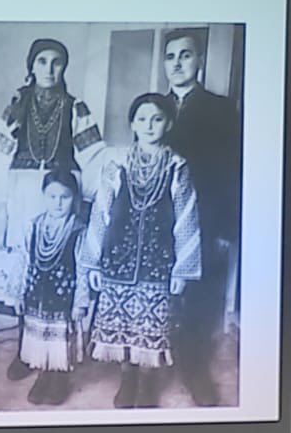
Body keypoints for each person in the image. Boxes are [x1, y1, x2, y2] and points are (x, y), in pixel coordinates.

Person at [0, 37, 102, 376]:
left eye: (57, 62)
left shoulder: (76, 107)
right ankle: (25, 350)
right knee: (26, 267)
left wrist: (85, 203)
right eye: (42, 61)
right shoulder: (16, 107)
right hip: (23, 193)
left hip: (61, 193)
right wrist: (1, 205)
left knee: (59, 271)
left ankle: (58, 354)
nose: (49, 69)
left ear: (65, 67)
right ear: (31, 66)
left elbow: (94, 158)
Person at [80, 93, 201, 409]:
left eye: (157, 119)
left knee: (151, 325)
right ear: (132, 124)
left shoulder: (177, 166)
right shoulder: (116, 162)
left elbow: (187, 217)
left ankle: (146, 383)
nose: (149, 126)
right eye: (142, 119)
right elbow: (101, 211)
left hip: (158, 262)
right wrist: (93, 263)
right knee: (121, 326)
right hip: (116, 259)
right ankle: (127, 378)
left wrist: (182, 270)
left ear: (169, 124)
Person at [161, 27, 241, 406]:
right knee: (160, 293)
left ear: (200, 60)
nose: (177, 64)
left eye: (185, 55)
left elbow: (231, 170)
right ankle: (150, 366)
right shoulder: (153, 109)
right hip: (161, 219)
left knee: (201, 295)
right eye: (170, 57)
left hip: (206, 217)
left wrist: (226, 228)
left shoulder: (220, 109)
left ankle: (195, 369)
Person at [16, 170, 88, 405]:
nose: (58, 203)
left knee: (59, 342)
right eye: (52, 197)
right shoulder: (34, 226)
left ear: (74, 198)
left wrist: (80, 302)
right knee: (39, 338)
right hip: (36, 295)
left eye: (64, 197)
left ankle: (59, 378)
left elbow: (83, 269)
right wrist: (18, 292)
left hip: (63, 299)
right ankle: (43, 375)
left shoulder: (78, 230)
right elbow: (24, 261)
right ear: (44, 196)